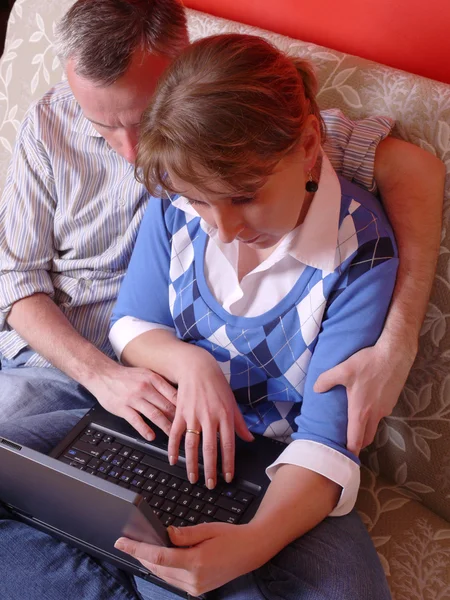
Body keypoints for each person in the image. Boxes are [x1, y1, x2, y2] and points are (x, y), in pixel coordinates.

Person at [0, 0, 444, 458]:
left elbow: (418, 172)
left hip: (158, 383)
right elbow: (14, 278)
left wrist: (398, 343)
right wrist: (101, 376)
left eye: (143, 120)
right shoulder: (52, 120)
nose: (132, 153)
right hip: (55, 361)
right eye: (104, 126)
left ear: (183, 68)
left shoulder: (248, 130)